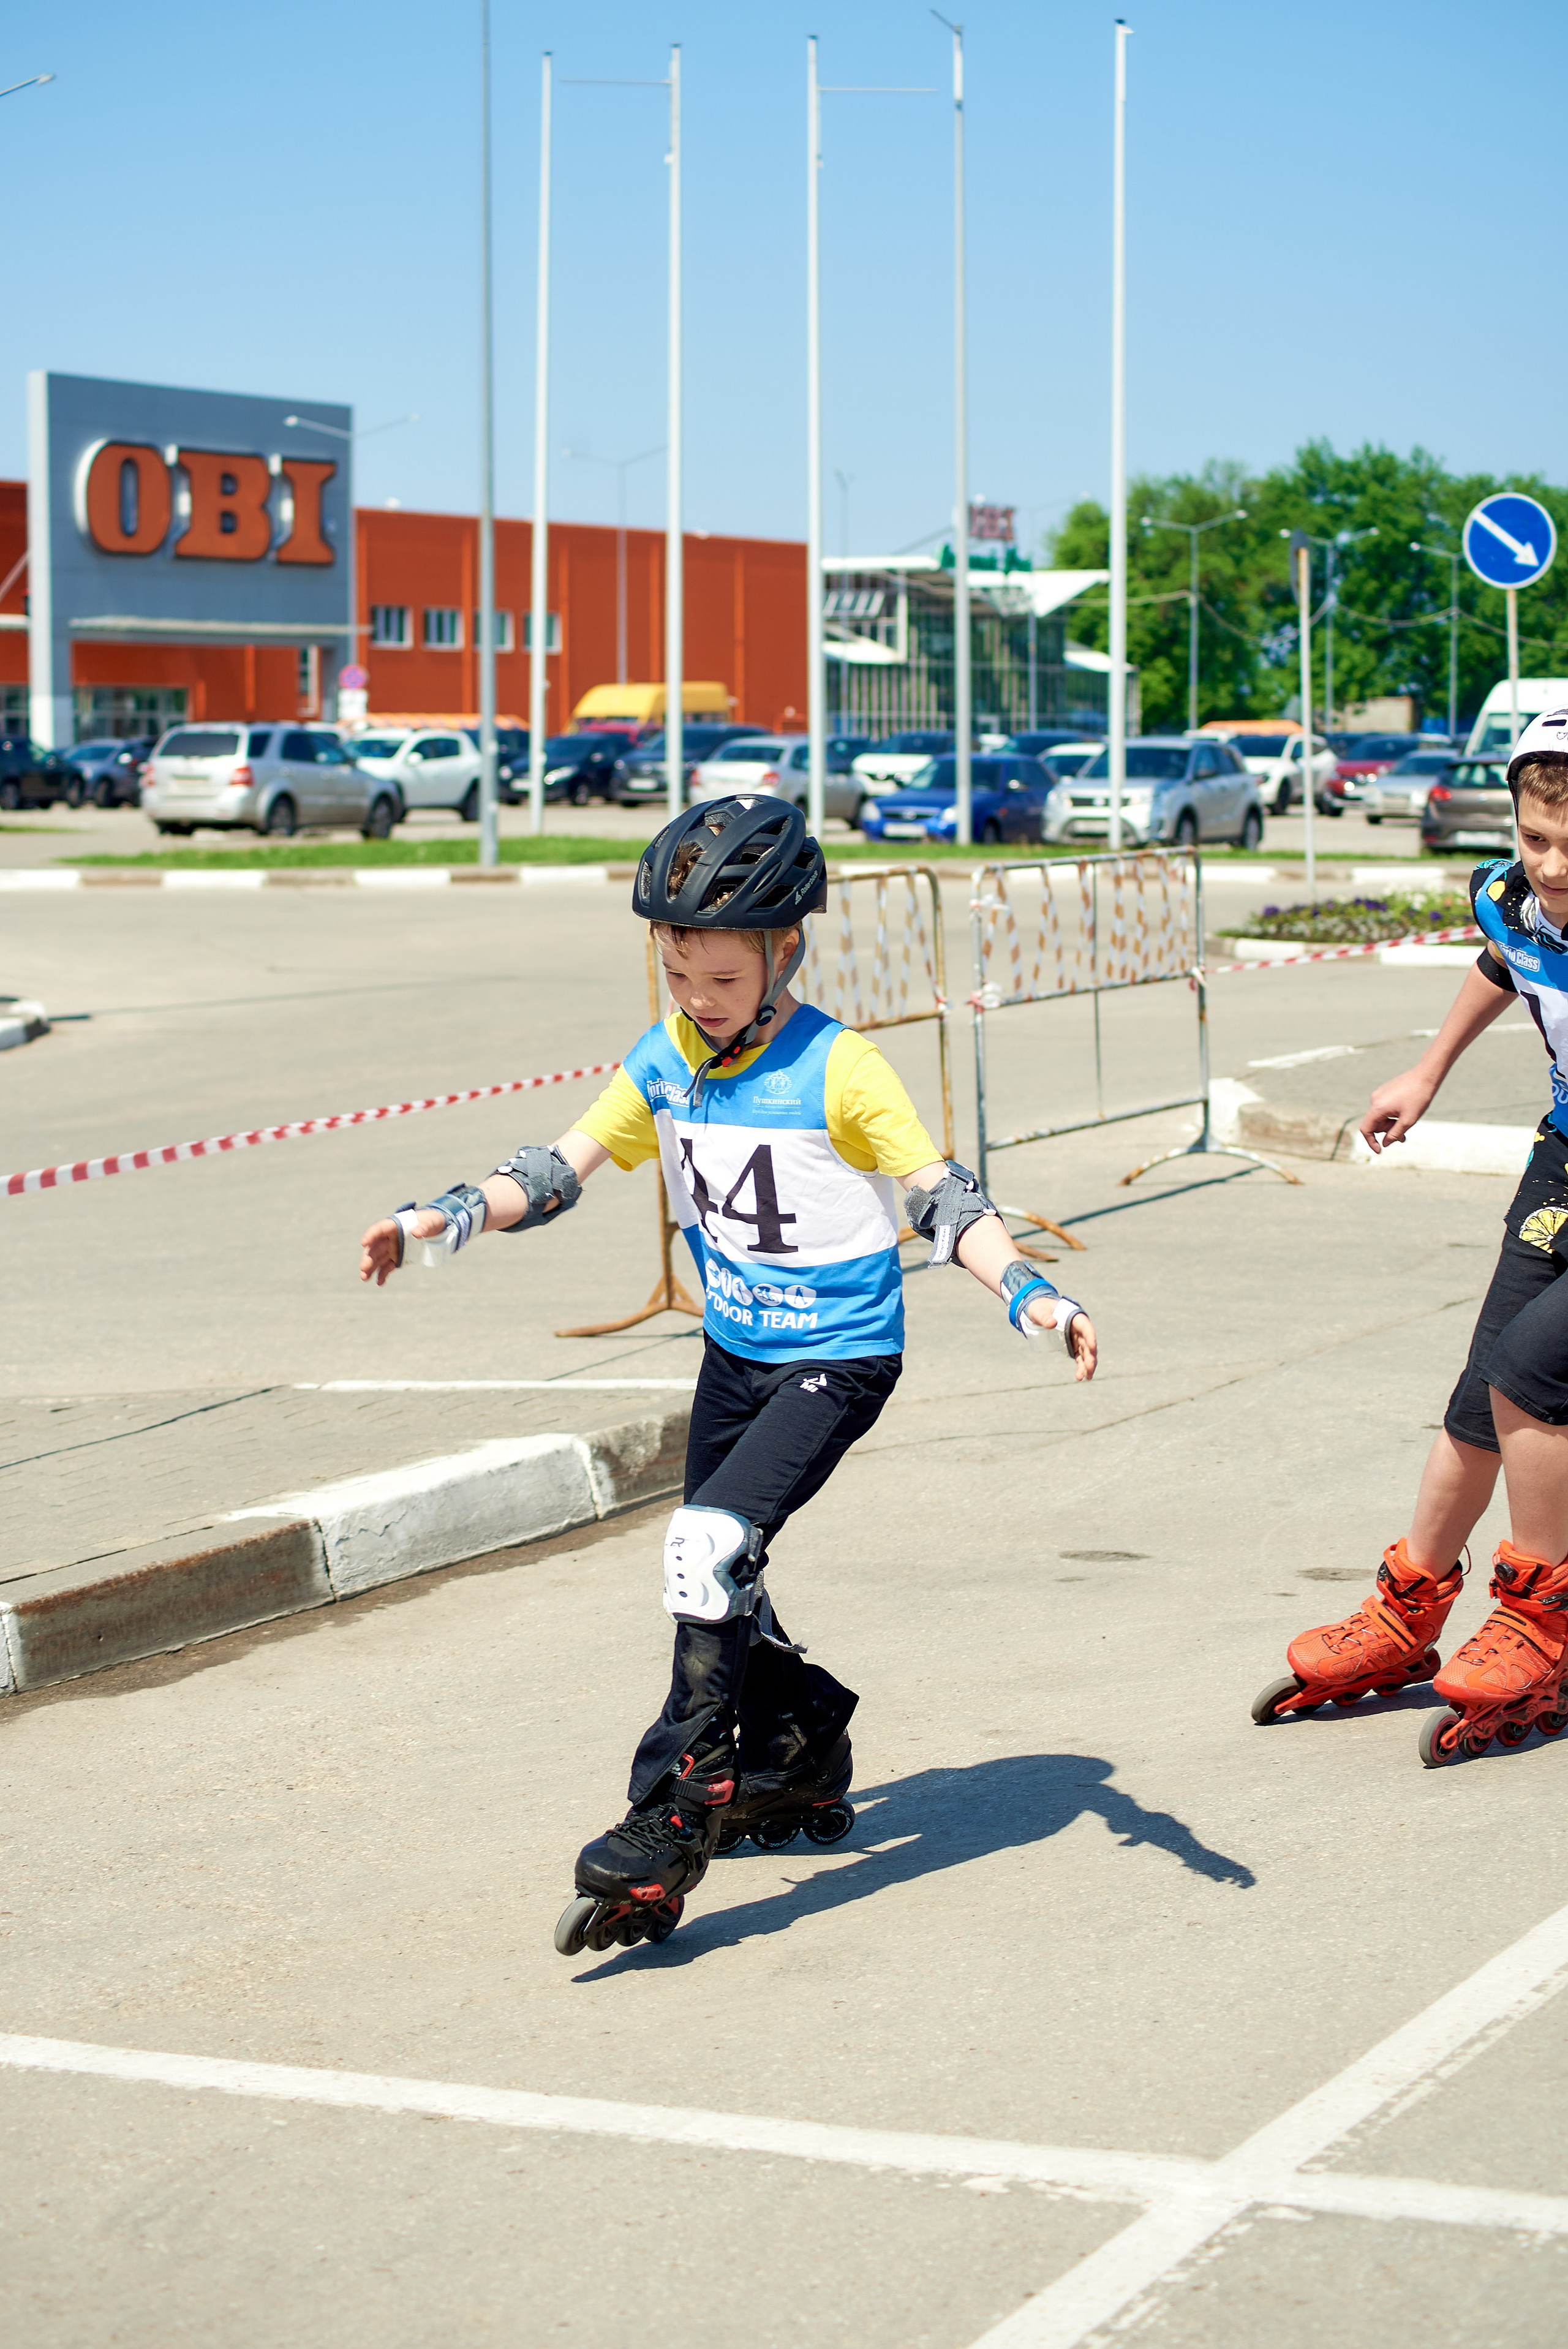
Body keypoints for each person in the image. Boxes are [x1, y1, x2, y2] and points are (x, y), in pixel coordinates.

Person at [359, 797, 1098, 1951]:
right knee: (727, 1574)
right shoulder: (668, 1058)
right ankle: (799, 1748)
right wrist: (443, 1218)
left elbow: (939, 1194)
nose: (696, 1003)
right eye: (677, 974)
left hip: (837, 1362)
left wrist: (1029, 1291)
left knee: (703, 1547)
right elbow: (560, 1168)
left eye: (718, 979)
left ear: (783, 951)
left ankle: (675, 1810)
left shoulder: (841, 1069)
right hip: (735, 1356)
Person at [1256, 711, 1568, 1766]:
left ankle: (1544, 1622)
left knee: (1535, 1372)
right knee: (1486, 1392)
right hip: (1566, 1159)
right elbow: (1503, 960)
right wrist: (1428, 1070)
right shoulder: (1513, 897)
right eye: (1537, 838)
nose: (1555, 866)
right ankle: (1406, 1614)